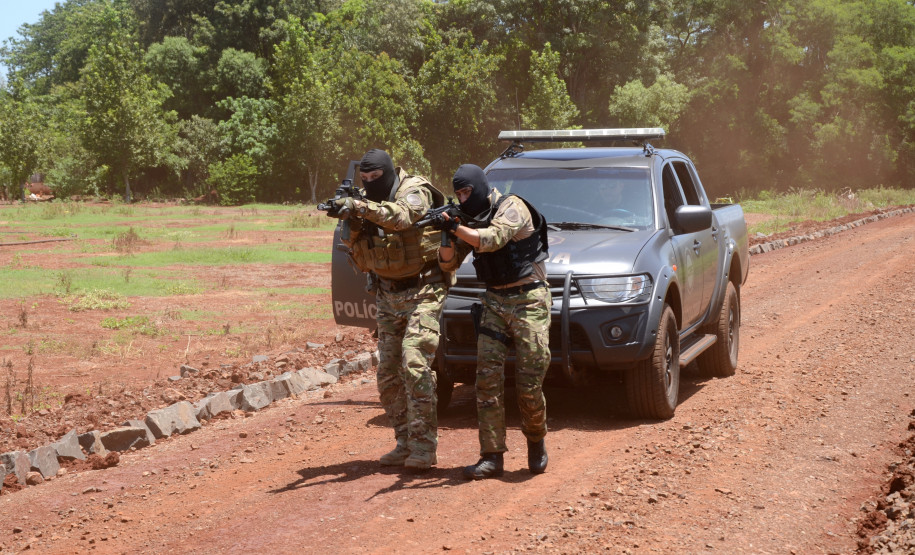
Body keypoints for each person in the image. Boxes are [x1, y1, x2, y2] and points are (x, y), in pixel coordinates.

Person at [328, 149, 448, 472]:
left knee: (415, 362)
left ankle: (425, 447)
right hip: (387, 293)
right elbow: (354, 246)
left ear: (389, 173)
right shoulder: (366, 202)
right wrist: (349, 217)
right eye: (364, 181)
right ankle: (405, 440)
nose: (370, 185)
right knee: (387, 374)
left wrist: (360, 206)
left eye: (376, 179)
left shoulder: (414, 190)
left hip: (424, 288)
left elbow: (401, 217)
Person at [437, 164, 552, 479]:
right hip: (495, 303)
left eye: (467, 192)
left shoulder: (512, 207)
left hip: (530, 300)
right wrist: (446, 234)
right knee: (486, 381)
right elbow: (448, 264)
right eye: (458, 193)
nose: (463, 198)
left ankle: (535, 440)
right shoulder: (468, 221)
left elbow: (492, 238)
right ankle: (491, 455)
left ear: (479, 187)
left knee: (529, 384)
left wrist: (457, 227)